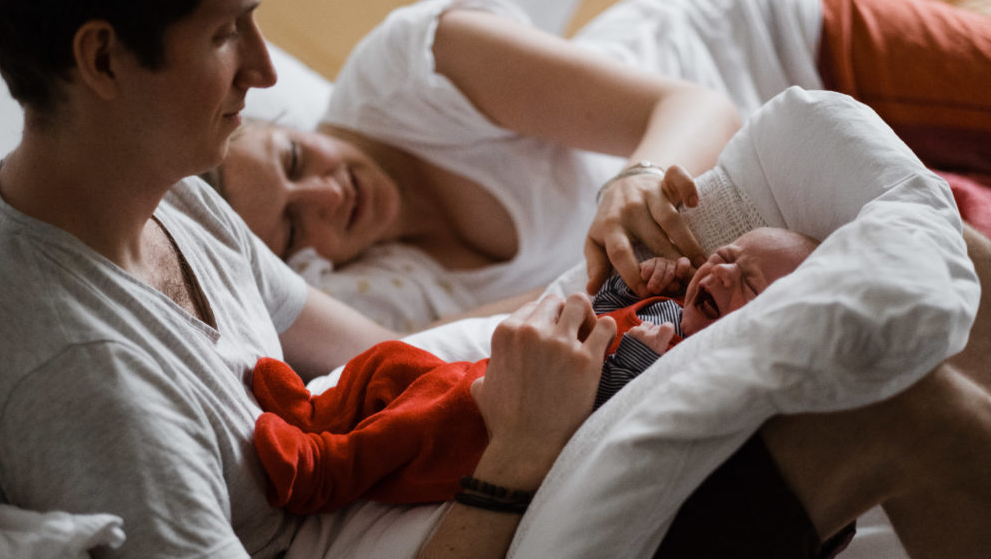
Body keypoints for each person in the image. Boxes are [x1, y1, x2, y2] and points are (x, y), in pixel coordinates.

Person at [0, 0, 988, 559]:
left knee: (873, 238)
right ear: (102, 58)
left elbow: (379, 353)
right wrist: (514, 456)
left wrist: (609, 327)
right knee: (900, 390)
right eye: (227, 36)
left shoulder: (171, 196)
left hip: (447, 480)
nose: (270, 71)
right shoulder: (79, 374)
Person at [209, 0, 991, 333]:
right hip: (774, 198)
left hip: (772, 45)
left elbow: (696, 103)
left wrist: (638, 175)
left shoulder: (412, 68)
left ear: (286, 124)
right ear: (296, 263)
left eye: (293, 161)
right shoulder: (395, 288)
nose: (324, 195)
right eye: (289, 224)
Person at [249, 226, 819, 515]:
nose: (722, 275)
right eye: (725, 257)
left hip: (496, 434)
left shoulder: (692, 371)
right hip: (493, 374)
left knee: (423, 420)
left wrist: (641, 359)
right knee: (393, 361)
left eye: (749, 284)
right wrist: (633, 285)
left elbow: (600, 422)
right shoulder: (669, 307)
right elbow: (592, 313)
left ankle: (322, 472)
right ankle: (316, 410)